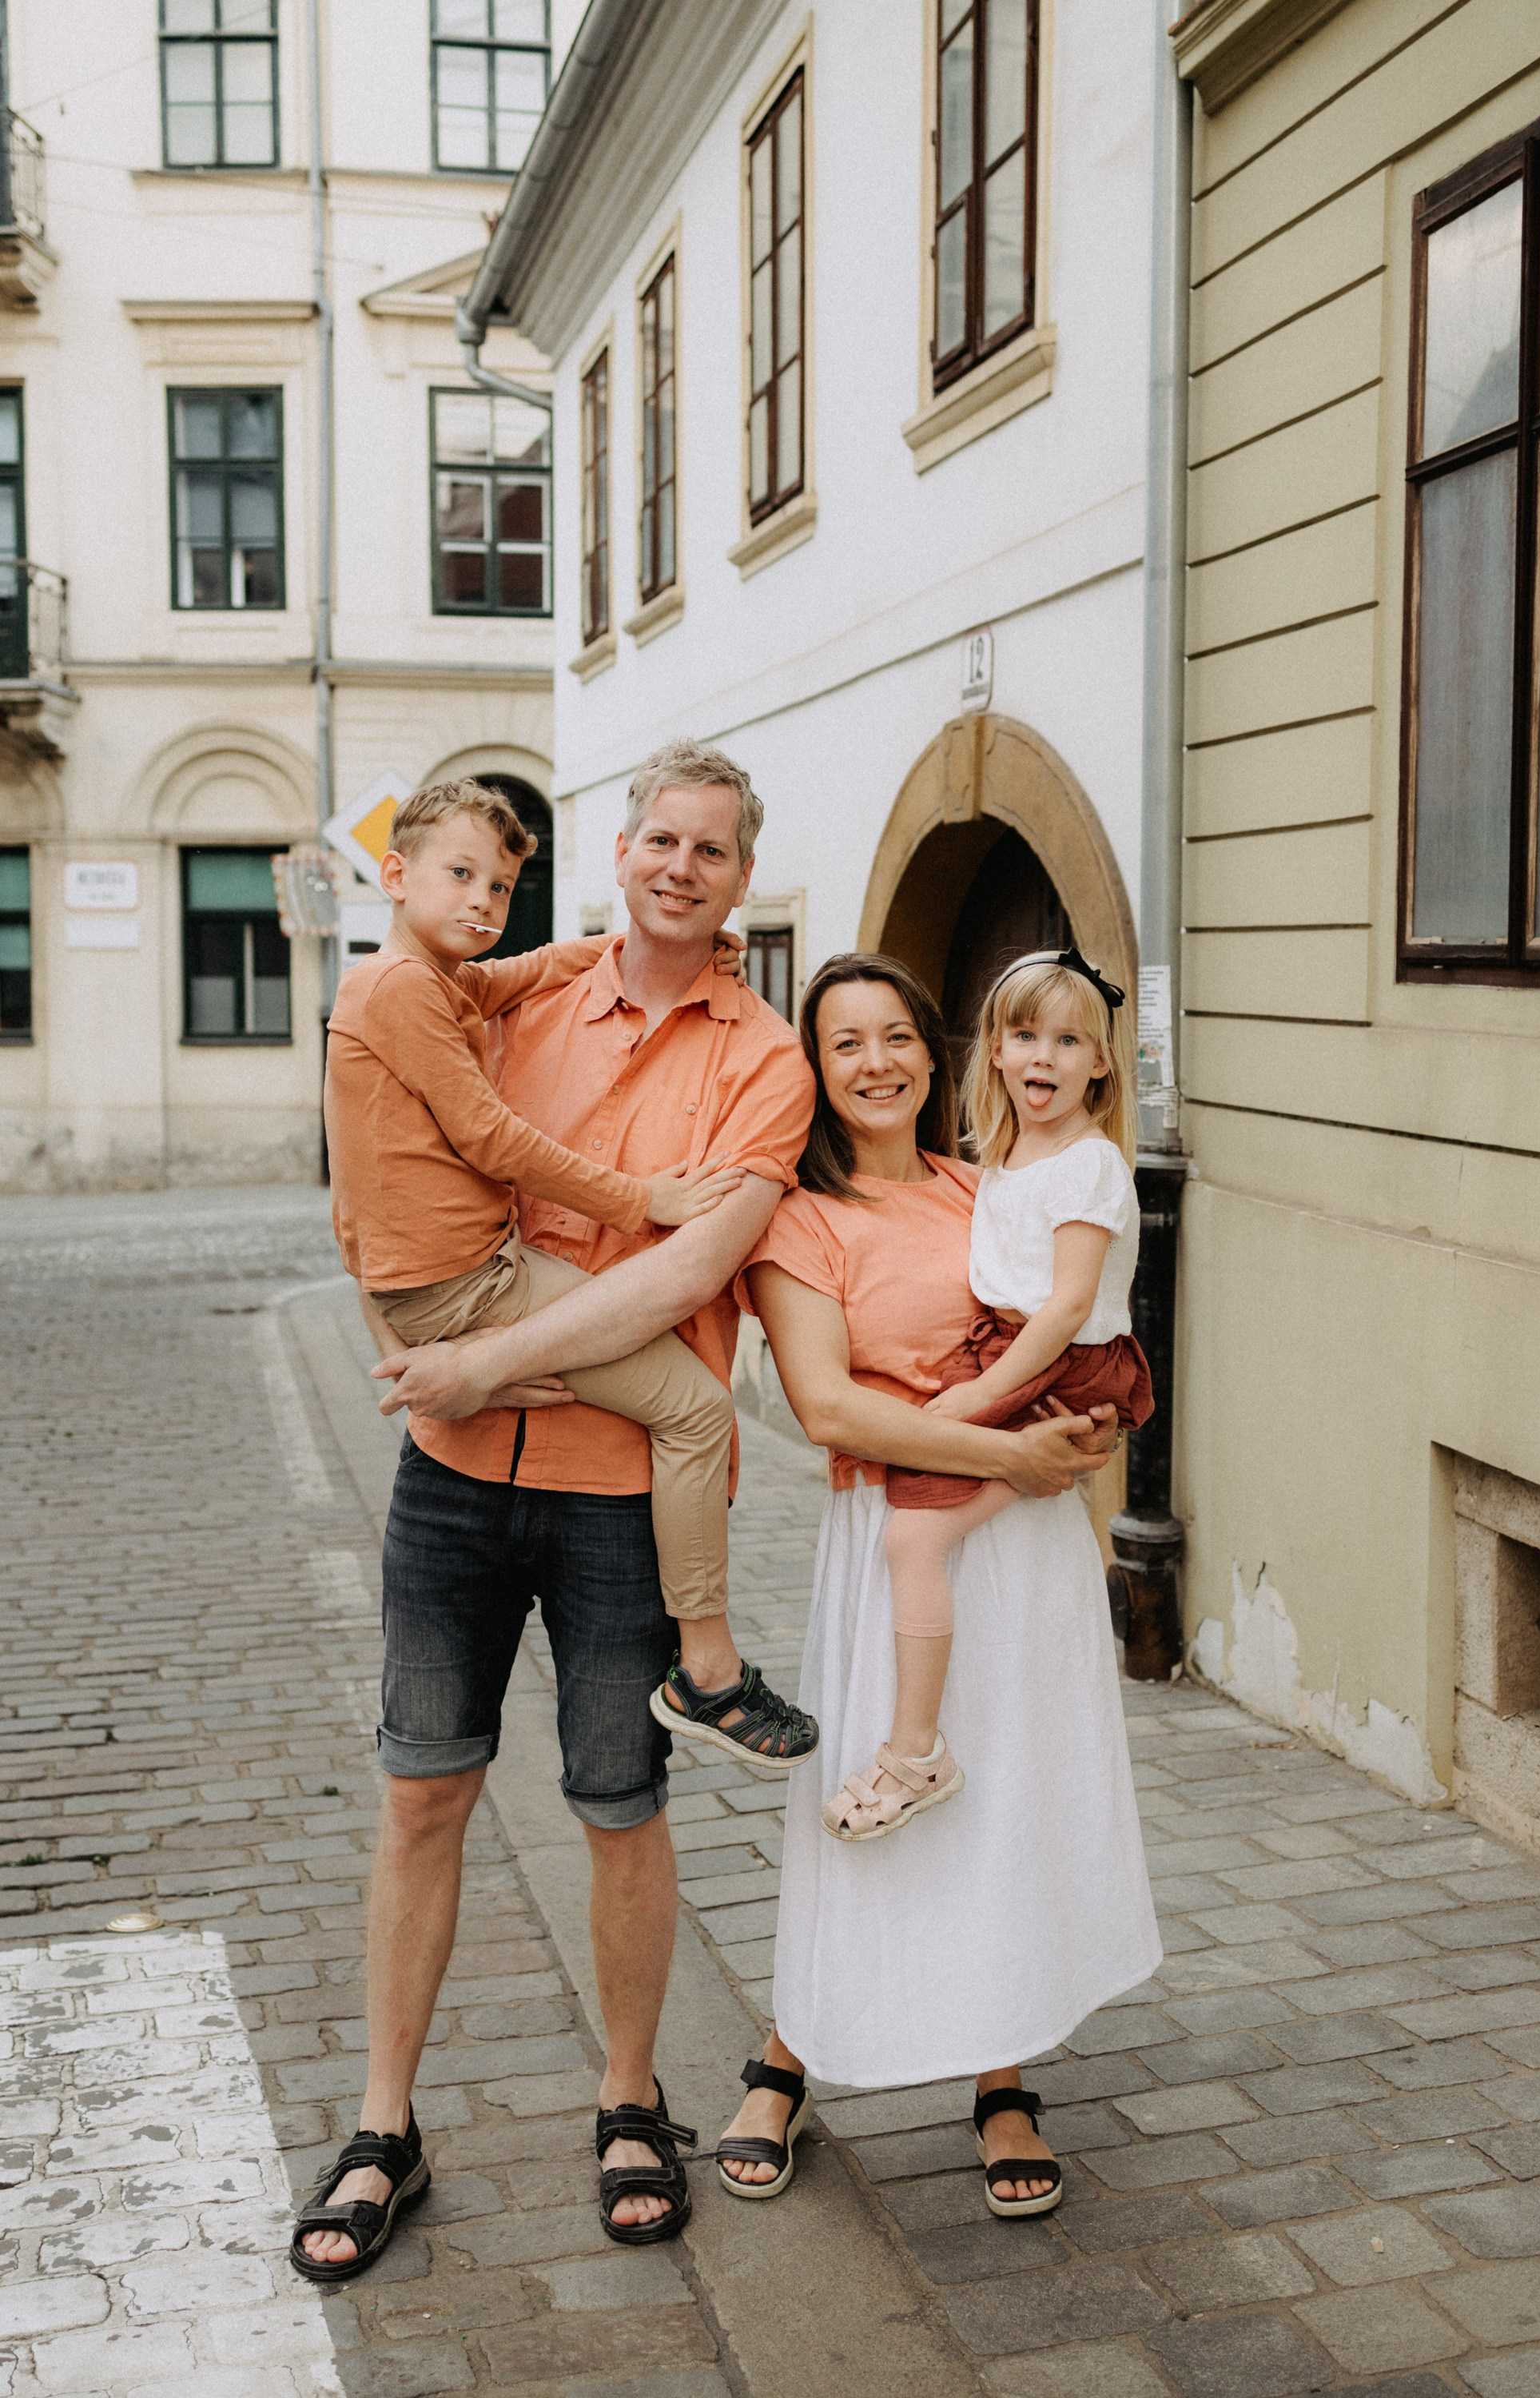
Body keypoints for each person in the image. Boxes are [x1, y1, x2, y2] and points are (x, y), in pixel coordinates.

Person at [290, 742, 817, 2281]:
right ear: (624, 851)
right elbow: (379, 1158)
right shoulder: (504, 992)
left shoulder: (765, 1061)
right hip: (455, 1480)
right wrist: (393, 1332)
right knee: (420, 1796)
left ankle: (630, 2096)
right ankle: (385, 2124)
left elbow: (679, 1275)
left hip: (611, 1502)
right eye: (658, 838)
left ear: (737, 878)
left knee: (619, 1809)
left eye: (710, 851)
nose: (678, 866)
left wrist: (469, 1361)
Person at [712, 954, 1160, 2221]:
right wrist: (1004, 1449)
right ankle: (790, 2050)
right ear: (815, 1067)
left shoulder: (992, 1180)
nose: (876, 1062)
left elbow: (1074, 1333)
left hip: (1020, 1540)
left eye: (898, 1035)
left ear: (931, 1050)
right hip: (895, 1528)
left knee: (1003, 1793)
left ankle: (1000, 2072)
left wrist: (1073, 1443)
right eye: (845, 1042)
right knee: (866, 1789)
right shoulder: (801, 1219)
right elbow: (827, 1406)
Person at [324, 775, 764, 1649]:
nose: (483, 902)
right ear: (394, 874)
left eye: (498, 887)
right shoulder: (401, 991)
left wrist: (664, 941)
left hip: (458, 1281)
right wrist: (645, 1199)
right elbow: (492, 1139)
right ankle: (710, 1663)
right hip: (470, 1285)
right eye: (460, 875)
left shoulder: (433, 981)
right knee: (699, 1412)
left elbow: (520, 972)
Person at [822, 946, 1155, 1841]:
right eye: (1022, 1035)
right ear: (992, 1054)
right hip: (1017, 1354)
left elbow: (1069, 1308)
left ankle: (914, 1752)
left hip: (1055, 1362)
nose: (1042, 1056)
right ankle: (918, 1743)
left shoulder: (1085, 1165)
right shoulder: (1001, 1162)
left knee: (916, 1535)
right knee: (915, 1536)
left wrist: (973, 1401)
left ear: (1100, 1062)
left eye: (1066, 1040)